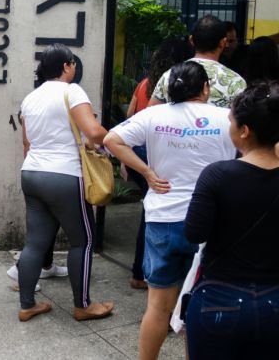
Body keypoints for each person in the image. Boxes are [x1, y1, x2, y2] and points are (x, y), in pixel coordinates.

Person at [104, 61, 237, 360]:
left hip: (163, 220)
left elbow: (111, 140)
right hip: (210, 224)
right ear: (205, 88)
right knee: (200, 303)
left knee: (158, 306)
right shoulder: (227, 118)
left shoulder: (153, 115)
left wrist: (147, 173)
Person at [16, 44, 112, 322]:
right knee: (82, 240)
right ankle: (83, 305)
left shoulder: (30, 98)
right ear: (67, 66)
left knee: (35, 243)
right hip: (65, 174)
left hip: (32, 172)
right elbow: (93, 132)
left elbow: (26, 143)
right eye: (72, 64)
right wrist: (119, 140)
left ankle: (27, 305)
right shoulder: (72, 91)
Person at [184, 81, 279, 359]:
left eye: (232, 122)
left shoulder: (217, 175)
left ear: (245, 131)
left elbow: (194, 232)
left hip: (219, 299)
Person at [124, 37, 194, 290]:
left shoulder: (144, 84)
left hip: (137, 153)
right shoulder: (183, 90)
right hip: (160, 155)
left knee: (149, 208)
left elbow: (130, 117)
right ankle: (149, 272)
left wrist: (128, 159)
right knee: (155, 211)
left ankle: (140, 272)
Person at [149, 15, 246, 108]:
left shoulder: (170, 74)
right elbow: (242, 119)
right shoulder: (235, 81)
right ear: (223, 42)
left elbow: (150, 113)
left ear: (191, 40)